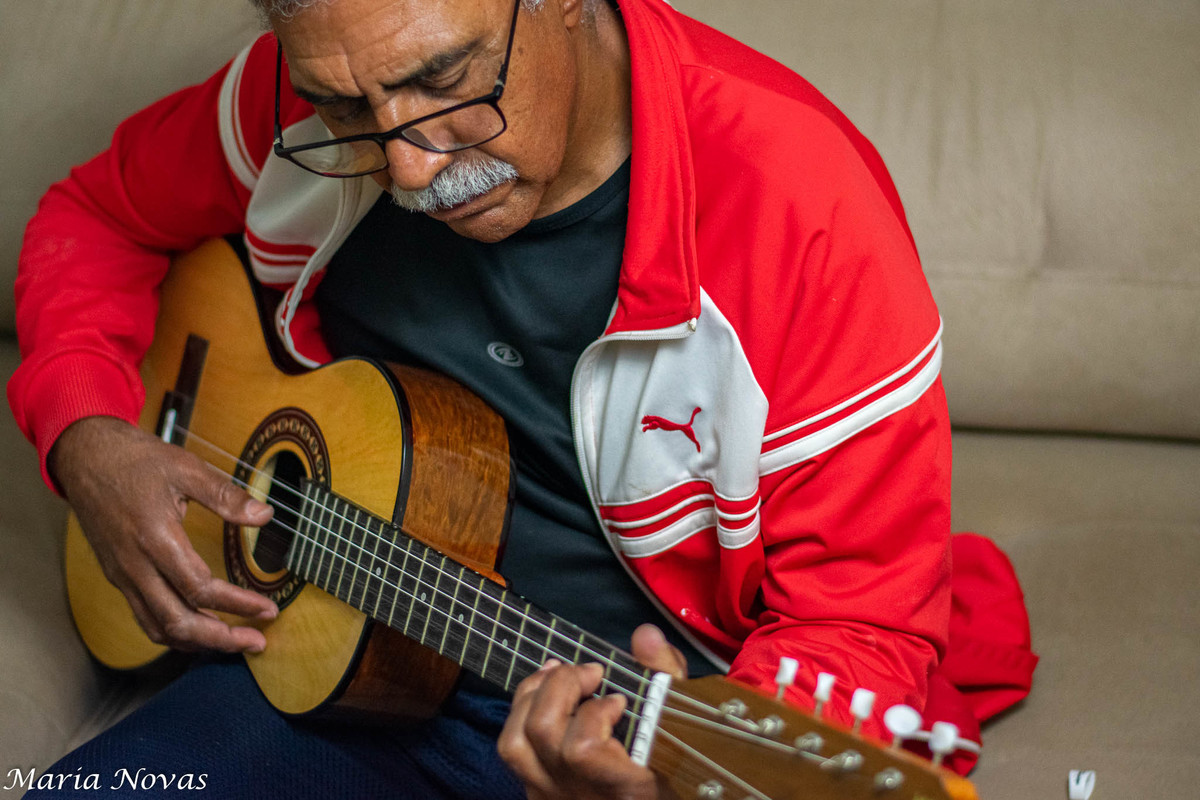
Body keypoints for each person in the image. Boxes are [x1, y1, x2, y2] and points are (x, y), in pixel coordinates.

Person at [10, 0, 961, 796]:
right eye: (345, 108)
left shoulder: (802, 207)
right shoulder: (323, 78)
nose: (408, 170)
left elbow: (861, 626)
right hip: (331, 651)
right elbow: (97, 217)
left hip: (619, 720)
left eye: (446, 78)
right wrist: (88, 433)